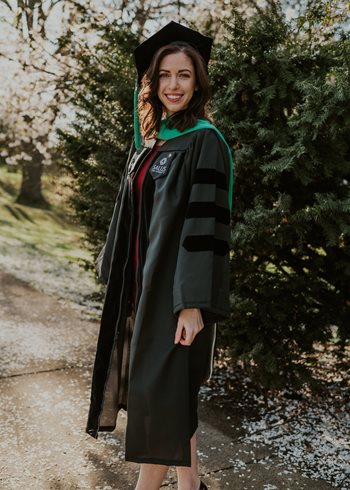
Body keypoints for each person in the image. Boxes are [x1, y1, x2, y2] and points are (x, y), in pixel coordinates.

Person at [86, 21, 234, 490]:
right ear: (151, 83)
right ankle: (191, 487)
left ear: (199, 81)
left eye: (184, 75)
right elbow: (127, 212)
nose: (173, 85)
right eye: (164, 75)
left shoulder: (204, 141)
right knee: (174, 396)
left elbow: (204, 225)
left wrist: (191, 302)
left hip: (177, 296)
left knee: (159, 398)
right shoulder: (151, 142)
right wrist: (116, 275)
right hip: (143, 290)